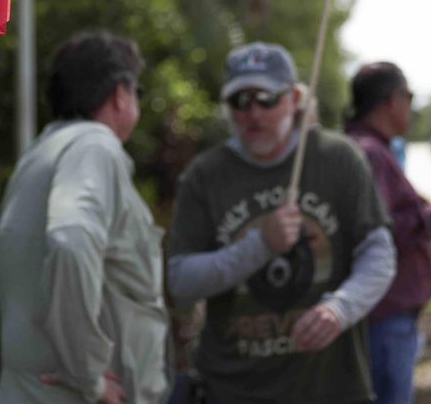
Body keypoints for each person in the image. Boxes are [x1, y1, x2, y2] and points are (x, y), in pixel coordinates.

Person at [168, 42, 395, 403]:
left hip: (331, 388)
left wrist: (341, 308)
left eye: (266, 98)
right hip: (232, 389)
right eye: (240, 101)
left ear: (294, 98)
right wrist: (259, 246)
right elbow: (181, 281)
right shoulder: (205, 175)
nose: (254, 113)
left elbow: (379, 252)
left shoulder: (339, 159)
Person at [0, 31, 169, 403]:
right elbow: (71, 240)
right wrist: (88, 374)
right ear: (121, 93)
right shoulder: (95, 146)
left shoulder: (41, 152)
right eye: (136, 92)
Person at [345, 61, 431, 403]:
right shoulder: (368, 152)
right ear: (390, 101)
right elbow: (381, 231)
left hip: (386, 314)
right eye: (409, 96)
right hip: (384, 315)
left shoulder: (369, 149)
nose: (411, 106)